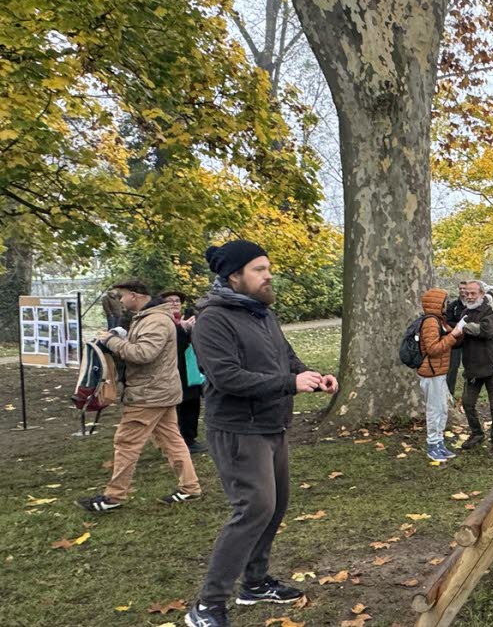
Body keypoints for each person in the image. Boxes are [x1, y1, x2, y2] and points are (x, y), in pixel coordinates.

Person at [185, 240, 338, 627]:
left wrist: (313, 377)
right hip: (238, 431)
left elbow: (284, 356)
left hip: (272, 425)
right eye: (258, 269)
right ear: (233, 275)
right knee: (252, 509)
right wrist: (289, 382)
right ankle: (208, 605)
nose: (268, 275)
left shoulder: (261, 313)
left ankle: (254, 583)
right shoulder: (213, 319)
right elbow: (227, 377)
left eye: (267, 267)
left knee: (274, 506)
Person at [77, 279, 202, 513]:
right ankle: (190, 488)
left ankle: (113, 497)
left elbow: (144, 354)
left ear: (135, 295)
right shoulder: (151, 317)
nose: (121, 301)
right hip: (160, 391)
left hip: (149, 395)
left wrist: (111, 341)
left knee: (126, 443)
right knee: (173, 441)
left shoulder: (155, 320)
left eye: (122, 296)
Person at [456, 280, 493, 457]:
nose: (468, 296)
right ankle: (477, 434)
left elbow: (486, 330)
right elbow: (458, 336)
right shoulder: (465, 312)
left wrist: (463, 328)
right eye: (466, 293)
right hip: (472, 368)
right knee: (468, 403)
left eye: (472, 293)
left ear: (482, 293)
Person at [417, 288, 462, 461]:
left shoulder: (439, 321)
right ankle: (433, 445)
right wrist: (453, 336)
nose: (447, 304)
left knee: (442, 409)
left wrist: (457, 332)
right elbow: (433, 349)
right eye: (445, 301)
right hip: (431, 373)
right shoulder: (430, 322)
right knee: (434, 409)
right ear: (437, 303)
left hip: (439, 371)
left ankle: (439, 442)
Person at [161, 290, 207, 454]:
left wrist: (192, 328)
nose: (174, 303)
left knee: (192, 402)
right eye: (170, 301)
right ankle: (180, 440)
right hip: (173, 370)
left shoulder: (186, 319)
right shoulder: (162, 322)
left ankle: (189, 438)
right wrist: (182, 329)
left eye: (177, 301)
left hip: (190, 370)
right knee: (179, 405)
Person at [444, 281, 468, 401]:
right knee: (452, 367)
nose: (462, 291)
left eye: (464, 288)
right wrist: (458, 327)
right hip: (455, 342)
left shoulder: (472, 305)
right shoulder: (453, 306)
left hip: (469, 342)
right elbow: (447, 321)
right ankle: (450, 394)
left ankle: (467, 395)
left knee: (469, 368)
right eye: (460, 288)